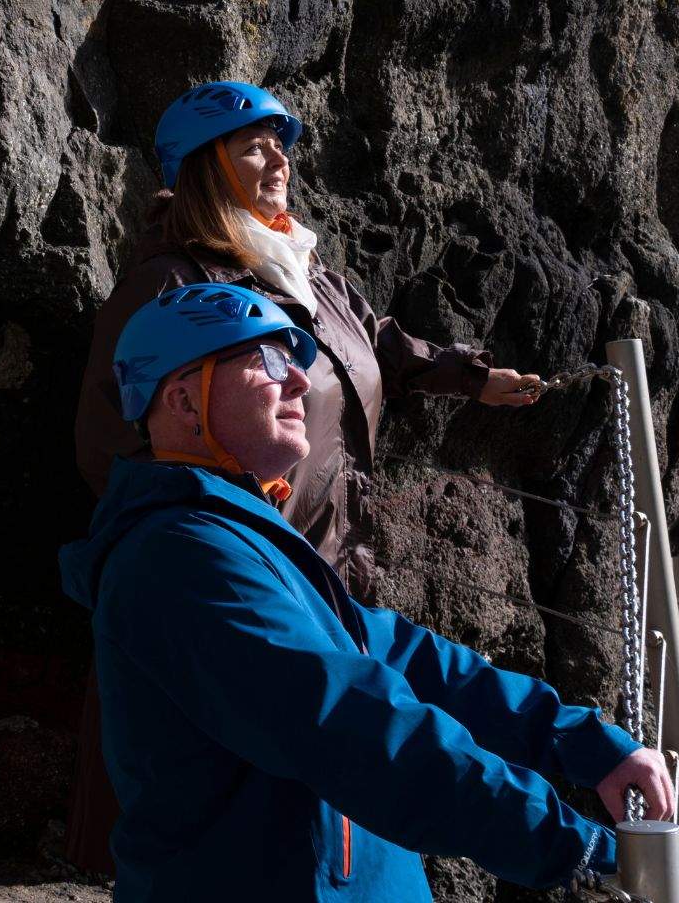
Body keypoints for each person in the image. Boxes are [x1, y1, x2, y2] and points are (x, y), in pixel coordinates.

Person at [58, 283, 673, 901]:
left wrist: (582, 741)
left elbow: (403, 654)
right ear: (184, 401)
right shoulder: (183, 558)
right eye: (268, 361)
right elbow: (348, 720)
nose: (300, 382)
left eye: (298, 362)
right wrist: (574, 844)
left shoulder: (242, 538)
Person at [66, 81, 545, 871]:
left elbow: (375, 340)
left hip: (329, 554)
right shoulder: (171, 286)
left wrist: (470, 375)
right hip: (239, 572)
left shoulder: (303, 269)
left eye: (280, 141)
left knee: (341, 747)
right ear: (202, 167)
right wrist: (217, 526)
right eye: (252, 144)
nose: (278, 157)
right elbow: (110, 435)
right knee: (259, 780)